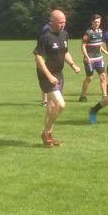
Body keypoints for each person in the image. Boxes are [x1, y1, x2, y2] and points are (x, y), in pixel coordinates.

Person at [34, 9, 81, 146]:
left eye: (64, 22)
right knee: (61, 104)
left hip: (59, 74)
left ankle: (48, 137)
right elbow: (38, 57)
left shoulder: (65, 34)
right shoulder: (45, 35)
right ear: (52, 21)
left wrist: (73, 65)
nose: (63, 24)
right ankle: (46, 132)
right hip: (46, 74)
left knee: (52, 105)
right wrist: (49, 76)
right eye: (60, 22)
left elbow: (65, 52)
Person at [79, 14, 108, 102]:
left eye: (98, 22)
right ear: (92, 22)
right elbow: (83, 46)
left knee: (103, 76)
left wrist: (107, 53)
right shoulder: (88, 32)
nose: (97, 24)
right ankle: (83, 96)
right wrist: (87, 57)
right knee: (89, 78)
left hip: (99, 59)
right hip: (90, 60)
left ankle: (104, 96)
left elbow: (99, 45)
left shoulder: (100, 31)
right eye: (95, 22)